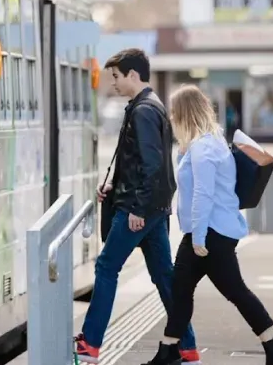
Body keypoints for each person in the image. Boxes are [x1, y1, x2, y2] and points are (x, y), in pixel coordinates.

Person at [145, 84, 273, 365]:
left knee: (226, 291)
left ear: (186, 114)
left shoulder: (203, 149)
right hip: (211, 231)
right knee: (186, 289)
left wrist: (199, 238)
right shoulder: (207, 143)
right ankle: (170, 350)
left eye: (175, 114)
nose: (171, 120)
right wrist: (182, 152)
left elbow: (203, 194)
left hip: (208, 234)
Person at [75, 49, 201, 365]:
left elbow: (152, 164)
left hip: (139, 210)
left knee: (106, 267)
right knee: (164, 277)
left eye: (116, 77)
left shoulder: (144, 111)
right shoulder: (149, 106)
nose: (113, 84)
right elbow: (141, 164)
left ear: (133, 75)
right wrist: (114, 187)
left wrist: (137, 209)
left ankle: (90, 343)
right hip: (152, 208)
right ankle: (187, 346)